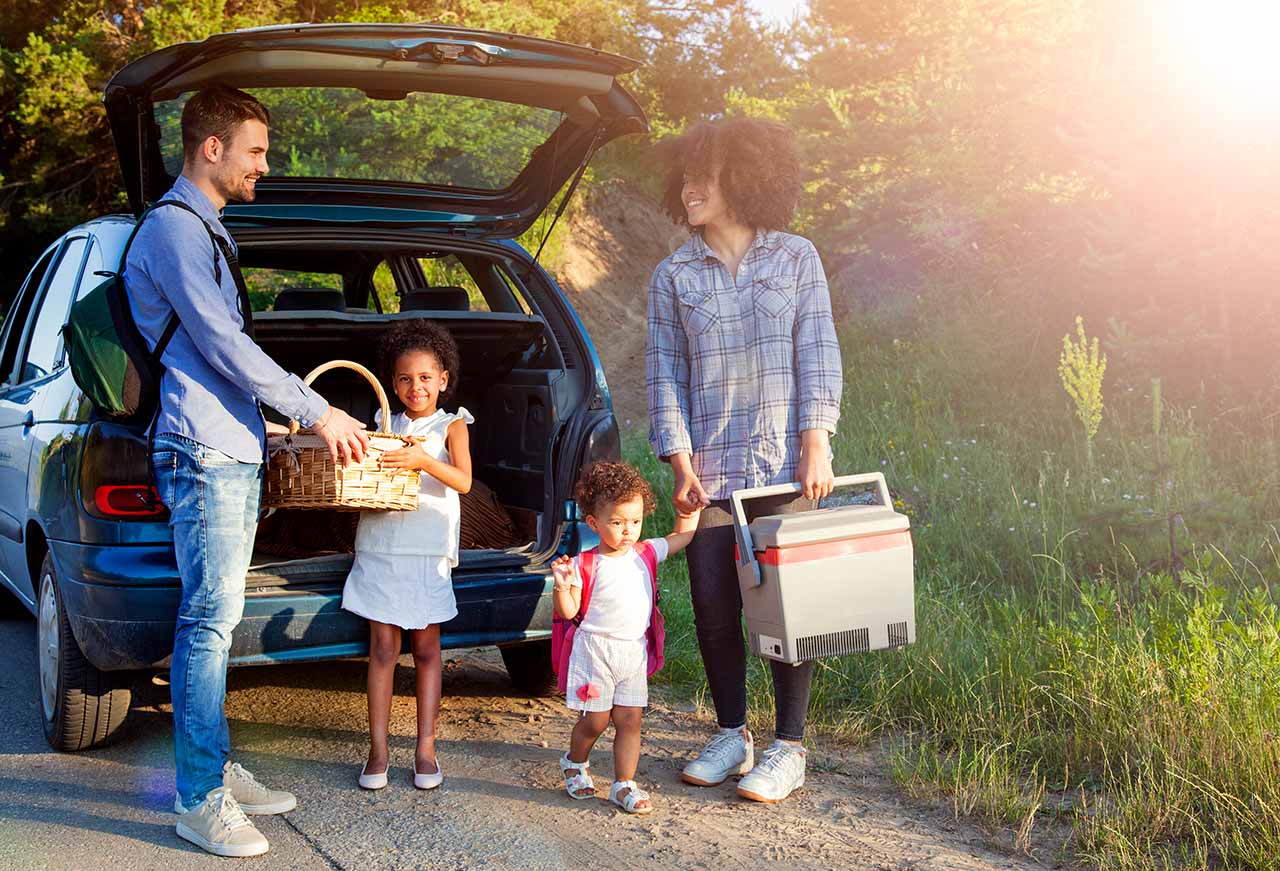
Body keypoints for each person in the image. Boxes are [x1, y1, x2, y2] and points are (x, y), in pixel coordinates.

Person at [125, 85, 369, 858]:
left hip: (225, 442)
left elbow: (208, 353)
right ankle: (198, 797)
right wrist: (314, 410)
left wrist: (261, 419)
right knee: (208, 620)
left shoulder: (203, 230)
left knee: (217, 621)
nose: (266, 164)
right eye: (257, 150)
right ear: (212, 148)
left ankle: (214, 767)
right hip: (201, 450)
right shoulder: (174, 230)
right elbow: (220, 344)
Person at [645, 117, 843, 803]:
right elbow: (664, 372)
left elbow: (818, 351)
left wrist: (817, 439)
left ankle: (789, 745)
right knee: (712, 606)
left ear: (745, 176)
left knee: (788, 610)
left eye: (707, 173)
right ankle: (733, 734)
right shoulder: (673, 274)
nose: (691, 187)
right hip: (712, 473)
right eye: (687, 174)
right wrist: (677, 460)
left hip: (784, 465)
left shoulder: (796, 258)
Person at [341, 319, 473, 793]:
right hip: (380, 548)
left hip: (426, 550)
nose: (414, 387)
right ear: (391, 384)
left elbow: (462, 481)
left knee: (426, 649)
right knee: (381, 650)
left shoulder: (452, 423)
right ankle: (377, 749)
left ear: (443, 379)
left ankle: (425, 748)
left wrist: (422, 460)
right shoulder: (384, 424)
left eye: (424, 377)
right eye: (403, 378)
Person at [552, 462, 699, 814]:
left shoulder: (646, 552)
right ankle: (574, 762)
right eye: (617, 522)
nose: (628, 530)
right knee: (596, 720)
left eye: (635, 521)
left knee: (631, 719)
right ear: (594, 524)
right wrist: (560, 584)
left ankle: (623, 784)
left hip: (633, 651)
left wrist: (689, 511)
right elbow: (570, 611)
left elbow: (683, 537)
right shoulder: (585, 564)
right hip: (595, 651)